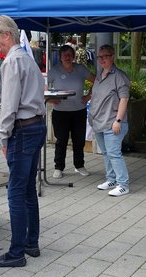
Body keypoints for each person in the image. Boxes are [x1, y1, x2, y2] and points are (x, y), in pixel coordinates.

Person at [0, 15, 46, 268]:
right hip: (37, 126)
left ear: (6, 35)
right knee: (28, 189)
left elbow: (9, 106)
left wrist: (3, 135)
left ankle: (16, 252)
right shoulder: (28, 58)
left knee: (16, 192)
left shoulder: (12, 61)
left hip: (22, 130)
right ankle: (31, 242)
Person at [47, 45, 95, 179]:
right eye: (65, 55)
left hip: (79, 111)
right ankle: (58, 167)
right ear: (60, 57)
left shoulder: (80, 69)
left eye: (70, 54)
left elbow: (96, 81)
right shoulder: (54, 71)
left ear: (73, 56)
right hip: (60, 112)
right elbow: (41, 87)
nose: (67, 57)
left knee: (79, 140)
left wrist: (88, 97)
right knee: (61, 140)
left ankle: (79, 165)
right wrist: (51, 99)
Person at [89, 44, 130, 197]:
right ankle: (111, 179)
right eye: (99, 57)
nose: (102, 59)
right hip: (99, 122)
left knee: (114, 153)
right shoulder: (100, 75)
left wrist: (118, 120)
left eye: (105, 56)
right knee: (106, 153)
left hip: (113, 122)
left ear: (113, 56)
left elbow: (124, 99)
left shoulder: (119, 76)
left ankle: (123, 184)